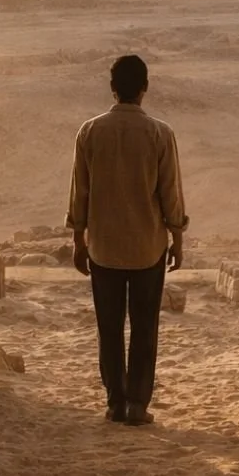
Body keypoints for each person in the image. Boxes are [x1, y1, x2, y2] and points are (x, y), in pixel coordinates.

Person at [66, 54, 189, 426]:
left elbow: (80, 192)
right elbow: (170, 193)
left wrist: (78, 239)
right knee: (144, 326)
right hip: (147, 247)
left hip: (103, 247)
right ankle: (138, 403)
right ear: (145, 88)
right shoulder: (160, 133)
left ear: (112, 88)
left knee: (109, 326)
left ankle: (114, 402)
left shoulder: (89, 131)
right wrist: (177, 237)